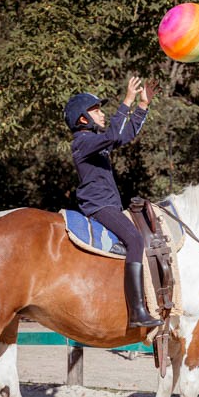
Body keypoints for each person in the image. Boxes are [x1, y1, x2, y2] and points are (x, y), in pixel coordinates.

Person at [63, 76, 163, 328]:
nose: (102, 114)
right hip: (99, 207)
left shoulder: (96, 142)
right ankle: (136, 311)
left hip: (109, 204)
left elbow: (124, 135)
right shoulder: (83, 143)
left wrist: (142, 106)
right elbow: (115, 135)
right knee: (135, 239)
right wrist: (127, 100)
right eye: (96, 110)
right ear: (83, 119)